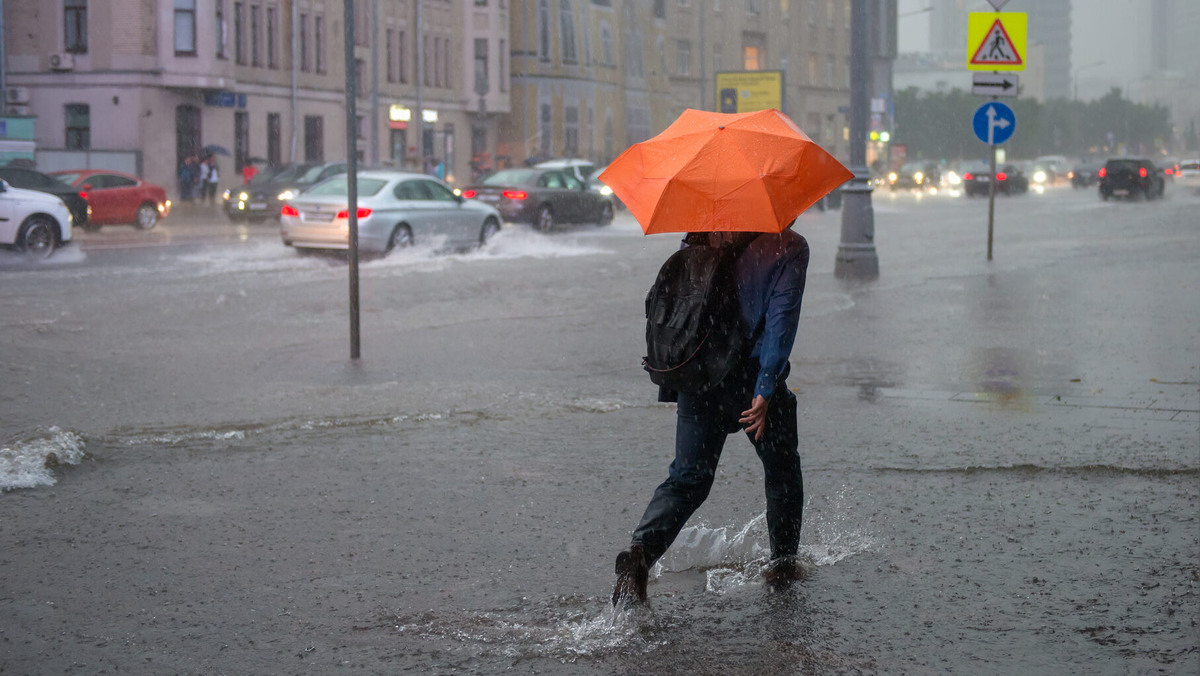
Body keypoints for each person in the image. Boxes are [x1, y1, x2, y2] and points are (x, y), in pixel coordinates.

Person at [612, 228, 810, 605]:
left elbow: (682, 306)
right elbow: (781, 320)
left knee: (687, 479)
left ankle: (640, 553)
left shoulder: (698, 236)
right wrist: (765, 388)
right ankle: (783, 563)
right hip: (749, 380)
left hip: (699, 376)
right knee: (782, 467)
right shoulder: (789, 245)